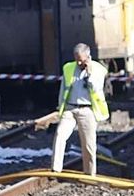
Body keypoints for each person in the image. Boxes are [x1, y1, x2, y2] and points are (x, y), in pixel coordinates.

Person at [47, 43, 109, 175]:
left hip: (88, 110)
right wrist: (61, 109)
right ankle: (56, 169)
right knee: (60, 135)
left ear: (88, 57)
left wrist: (89, 73)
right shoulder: (69, 68)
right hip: (70, 109)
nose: (79, 62)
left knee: (88, 144)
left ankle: (90, 173)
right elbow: (63, 89)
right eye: (77, 59)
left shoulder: (99, 70)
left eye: (82, 59)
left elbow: (97, 88)